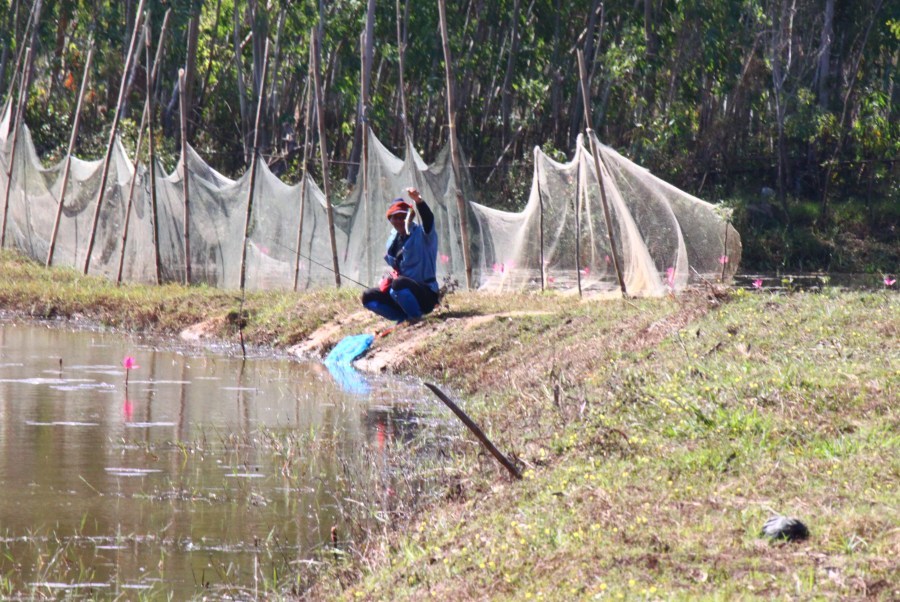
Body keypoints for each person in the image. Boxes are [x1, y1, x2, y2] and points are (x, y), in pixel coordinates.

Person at [361, 187, 439, 324]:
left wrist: (418, 201)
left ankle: (416, 317)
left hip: (426, 293)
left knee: (398, 284)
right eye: (395, 217)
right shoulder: (393, 241)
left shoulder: (423, 234)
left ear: (410, 218)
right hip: (400, 291)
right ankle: (403, 318)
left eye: (403, 217)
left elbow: (428, 219)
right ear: (390, 219)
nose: (399, 221)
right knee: (368, 297)